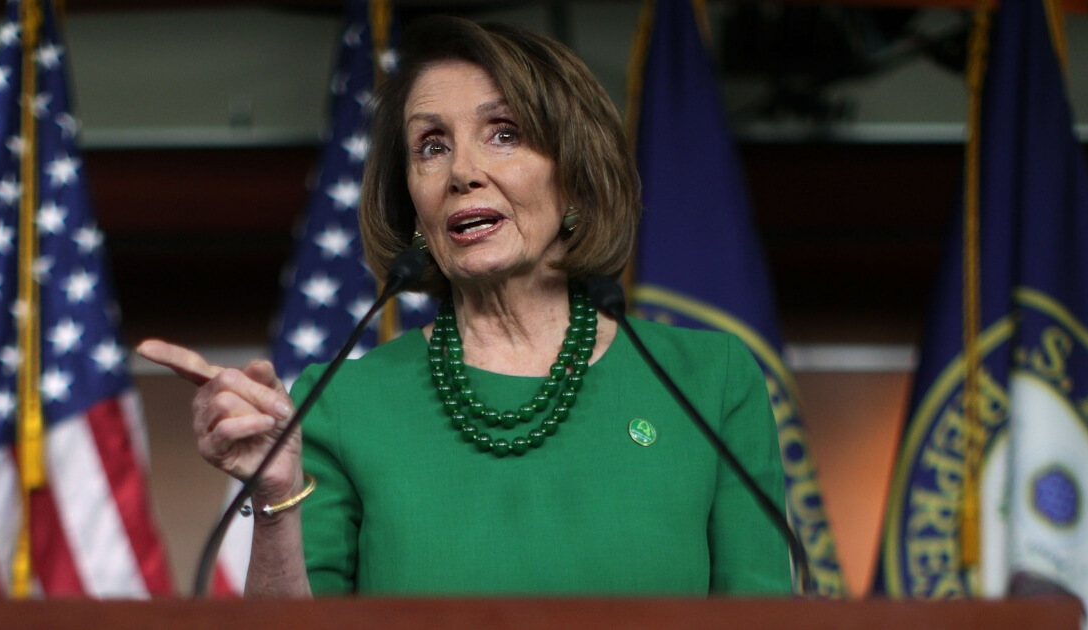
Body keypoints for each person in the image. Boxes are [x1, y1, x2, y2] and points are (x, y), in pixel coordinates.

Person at [139, 15, 790, 597]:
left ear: (576, 176)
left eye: (503, 134)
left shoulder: (710, 381)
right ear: (414, 205)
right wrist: (276, 498)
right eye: (432, 145)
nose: (462, 171)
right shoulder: (339, 401)